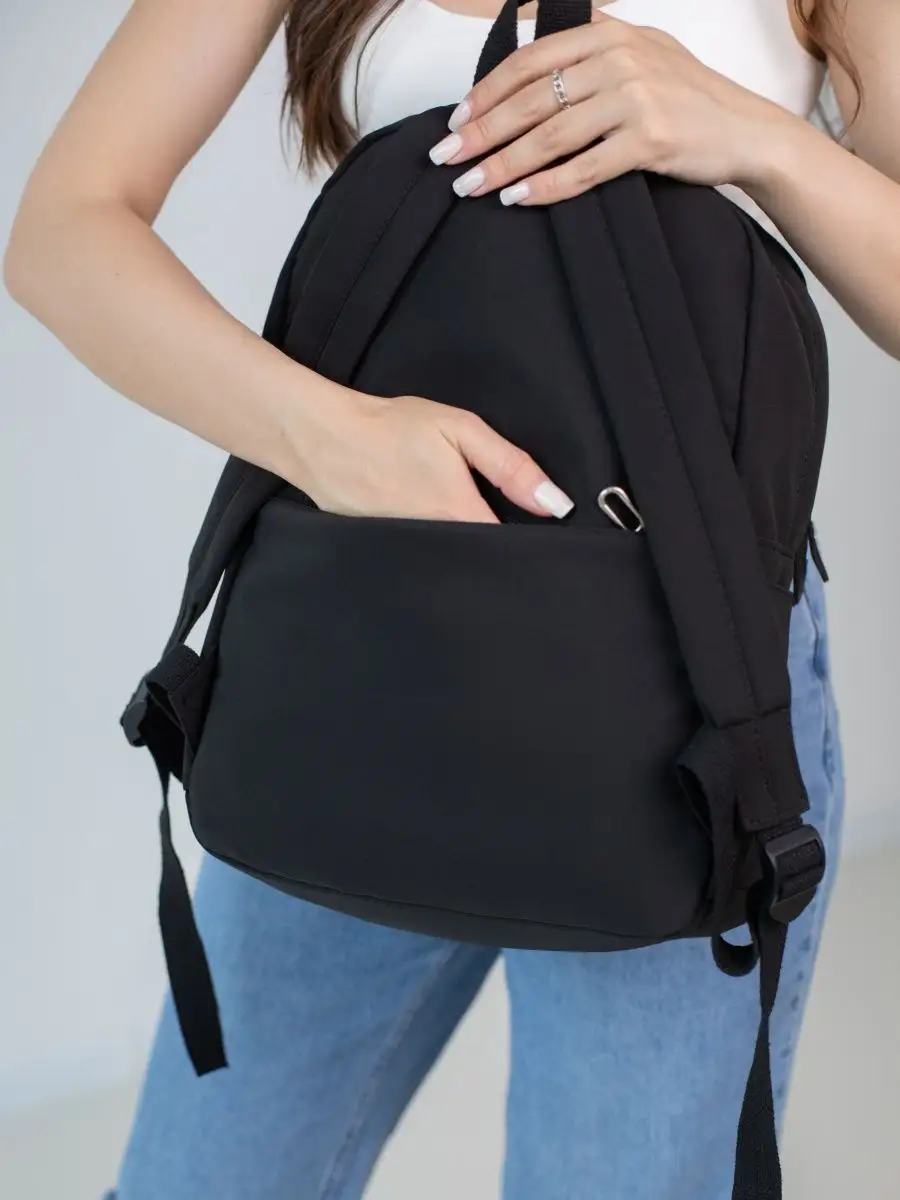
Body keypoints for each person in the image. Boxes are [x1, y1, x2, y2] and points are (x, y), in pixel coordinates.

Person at [6, 0, 899, 1195]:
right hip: (362, 647)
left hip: (687, 702)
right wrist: (332, 442)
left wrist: (753, 135)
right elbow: (63, 230)